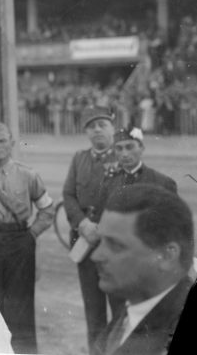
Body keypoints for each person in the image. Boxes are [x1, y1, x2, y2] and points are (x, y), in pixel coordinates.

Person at [0, 122, 54, 354]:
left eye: (2, 141)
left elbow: (48, 210)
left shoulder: (28, 175)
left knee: (20, 306)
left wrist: (32, 234)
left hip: (19, 242)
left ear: (12, 144)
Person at [91, 184, 193, 355]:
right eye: (100, 241)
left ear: (168, 256)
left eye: (116, 245)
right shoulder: (133, 311)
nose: (96, 256)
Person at [62, 106, 121, 354]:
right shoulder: (79, 158)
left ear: (112, 129)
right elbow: (68, 194)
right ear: (86, 131)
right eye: (91, 126)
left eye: (102, 125)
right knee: (93, 309)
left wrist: (104, 227)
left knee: (119, 307)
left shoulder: (123, 157)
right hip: (84, 240)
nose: (97, 130)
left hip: (115, 245)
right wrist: (82, 223)